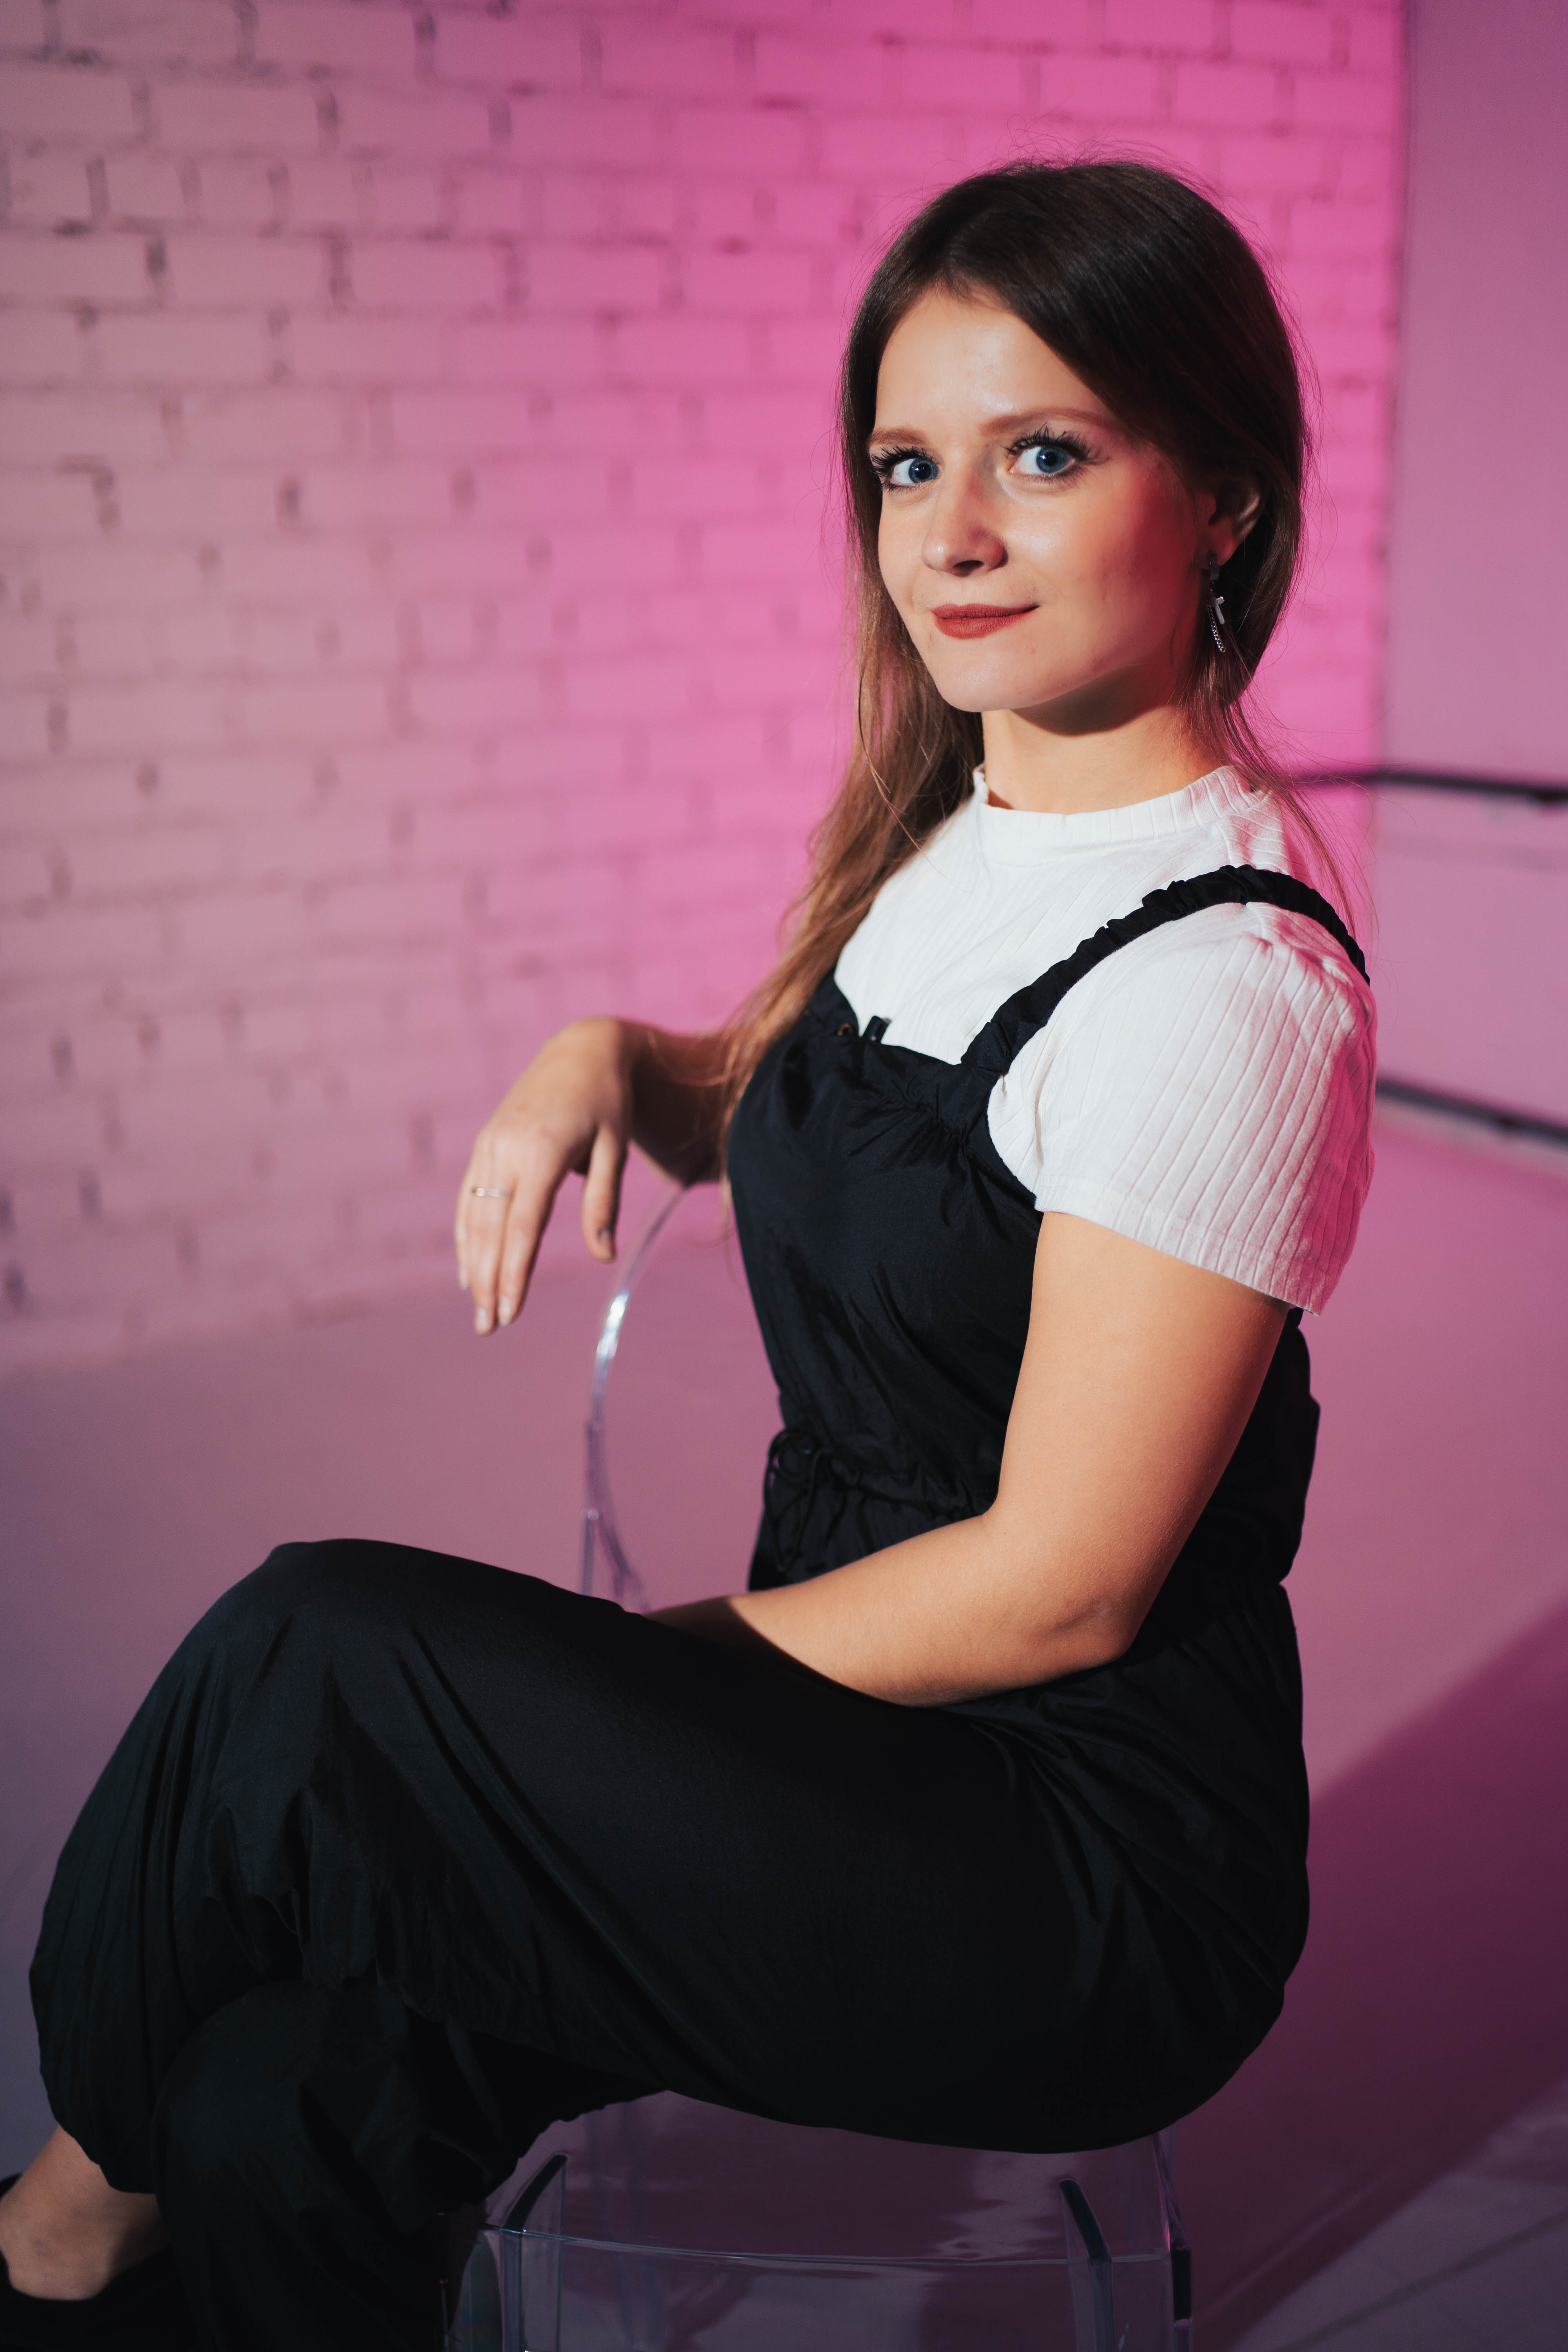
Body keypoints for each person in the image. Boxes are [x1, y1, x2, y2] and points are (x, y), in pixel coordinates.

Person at [0, 160, 1374, 2352]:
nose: (950, 534)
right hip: (851, 1743)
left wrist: (611, 1699)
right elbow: (839, 1114)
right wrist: (614, 1059)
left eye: (1043, 454)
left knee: (314, 1659)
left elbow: (1066, 1587)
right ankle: (109, 2231)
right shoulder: (973, 830)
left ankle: (49, 2237)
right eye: (908, 467)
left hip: (1063, 1864)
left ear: (1222, 494)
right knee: (281, 2088)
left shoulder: (1226, 988)